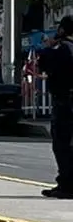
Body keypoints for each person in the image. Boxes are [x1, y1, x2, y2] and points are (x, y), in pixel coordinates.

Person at [37, 15, 73, 199]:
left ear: (62, 30)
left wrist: (47, 47)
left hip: (65, 101)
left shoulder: (63, 47)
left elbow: (42, 62)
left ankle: (67, 185)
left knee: (62, 143)